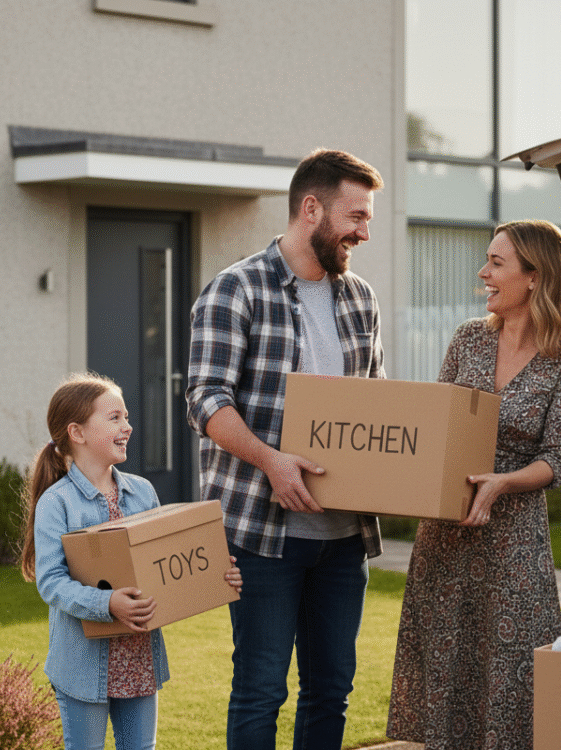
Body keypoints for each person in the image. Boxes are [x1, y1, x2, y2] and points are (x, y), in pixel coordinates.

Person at [186, 148, 385, 750]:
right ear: (310, 208)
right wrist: (270, 460)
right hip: (261, 536)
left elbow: (376, 407)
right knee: (260, 689)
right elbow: (205, 399)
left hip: (342, 536)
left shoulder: (360, 300)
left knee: (331, 689)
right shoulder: (235, 290)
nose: (363, 232)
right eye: (355, 217)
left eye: (367, 218)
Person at [387, 220, 561, 750]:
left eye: (497, 263)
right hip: (448, 530)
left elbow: (558, 458)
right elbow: (441, 423)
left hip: (513, 538)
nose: (483, 272)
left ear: (535, 277)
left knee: (510, 669)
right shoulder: (468, 339)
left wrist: (502, 483)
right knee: (442, 661)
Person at [20, 372, 243, 750]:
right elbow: (51, 582)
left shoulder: (142, 491)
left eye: (125, 417)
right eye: (114, 418)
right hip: (83, 667)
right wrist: (108, 603)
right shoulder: (56, 503)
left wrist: (214, 573)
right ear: (77, 433)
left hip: (139, 658)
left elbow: (164, 562)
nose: (128, 426)